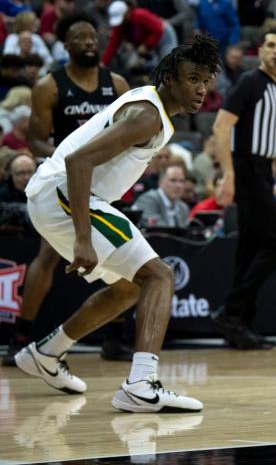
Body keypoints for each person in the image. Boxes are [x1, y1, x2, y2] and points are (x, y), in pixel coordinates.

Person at [14, 35, 220, 412]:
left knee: (129, 288)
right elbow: (79, 162)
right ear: (170, 78)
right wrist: (82, 239)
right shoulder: (147, 114)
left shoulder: (153, 111)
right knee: (160, 276)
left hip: (55, 196)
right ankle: (141, 384)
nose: (202, 89)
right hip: (62, 193)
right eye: (193, 79)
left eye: (206, 81)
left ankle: (45, 353)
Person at [3, 13, 130, 367]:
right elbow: (35, 141)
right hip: (65, 179)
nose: (89, 42)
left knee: (124, 251)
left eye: (93, 36)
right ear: (66, 45)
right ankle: (21, 336)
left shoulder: (116, 84)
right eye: (80, 37)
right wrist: (75, 158)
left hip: (106, 182)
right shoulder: (50, 86)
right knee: (48, 255)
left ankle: (115, 338)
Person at [210, 28, 276, 350]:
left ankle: (240, 325)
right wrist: (228, 174)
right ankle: (230, 312)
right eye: (271, 45)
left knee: (249, 250)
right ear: (261, 50)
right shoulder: (250, 82)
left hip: (263, 172)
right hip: (247, 168)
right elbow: (221, 126)